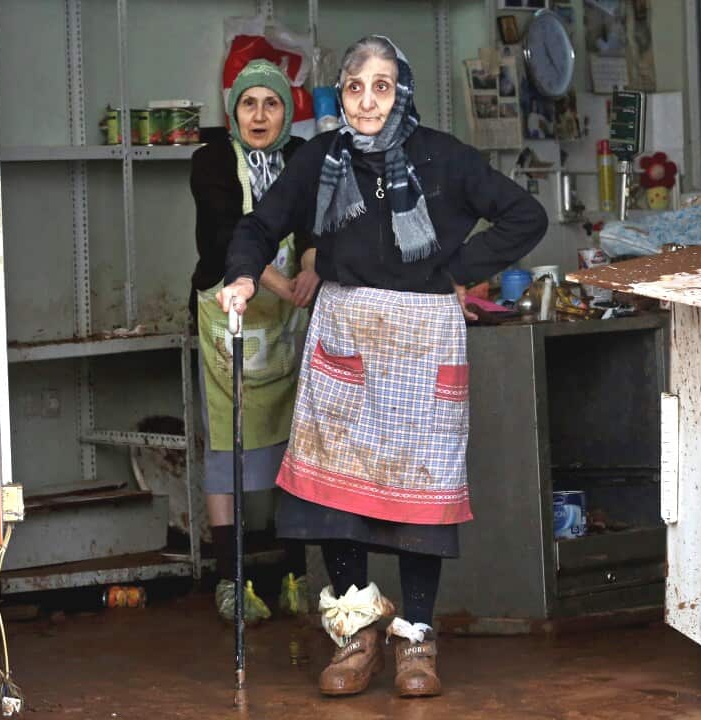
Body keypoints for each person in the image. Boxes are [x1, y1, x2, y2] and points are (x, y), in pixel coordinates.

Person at [219, 36, 546, 698]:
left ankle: (416, 639)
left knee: (421, 502)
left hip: (425, 343)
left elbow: (525, 215)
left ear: (403, 92)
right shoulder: (321, 157)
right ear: (339, 95)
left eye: (383, 85)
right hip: (343, 334)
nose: (368, 100)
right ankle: (357, 631)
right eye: (355, 87)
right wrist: (241, 277)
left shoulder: (445, 159)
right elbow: (262, 225)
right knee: (334, 498)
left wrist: (455, 271)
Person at [189, 59, 319, 622]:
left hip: (288, 318)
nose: (259, 115)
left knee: (295, 443)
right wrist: (278, 282)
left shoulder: (300, 159)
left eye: (270, 104)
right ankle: (230, 580)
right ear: (233, 111)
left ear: (285, 112)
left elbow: (315, 225)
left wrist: (310, 268)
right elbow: (225, 234)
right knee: (228, 444)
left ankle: (296, 572)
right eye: (249, 104)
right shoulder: (210, 161)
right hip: (231, 315)